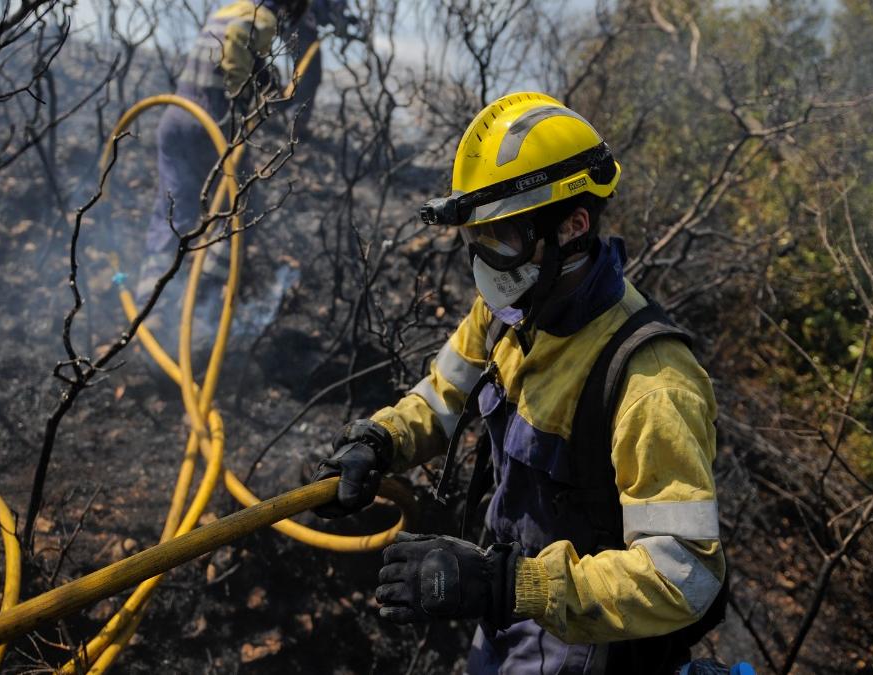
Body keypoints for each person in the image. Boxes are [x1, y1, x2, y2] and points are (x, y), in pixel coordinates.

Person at [310, 92, 726, 674]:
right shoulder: (513, 310)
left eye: (502, 240)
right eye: (477, 239)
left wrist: (511, 583)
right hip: (508, 611)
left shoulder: (651, 382)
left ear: (573, 226)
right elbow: (441, 398)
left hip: (587, 643)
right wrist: (379, 441)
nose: (483, 261)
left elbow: (684, 572)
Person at [137, 0, 350, 351]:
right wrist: (271, 91)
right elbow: (241, 62)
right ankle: (200, 304)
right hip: (214, 125)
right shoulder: (262, 20)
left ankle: (151, 304)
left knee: (173, 208)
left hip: (175, 118)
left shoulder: (229, 9)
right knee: (240, 213)